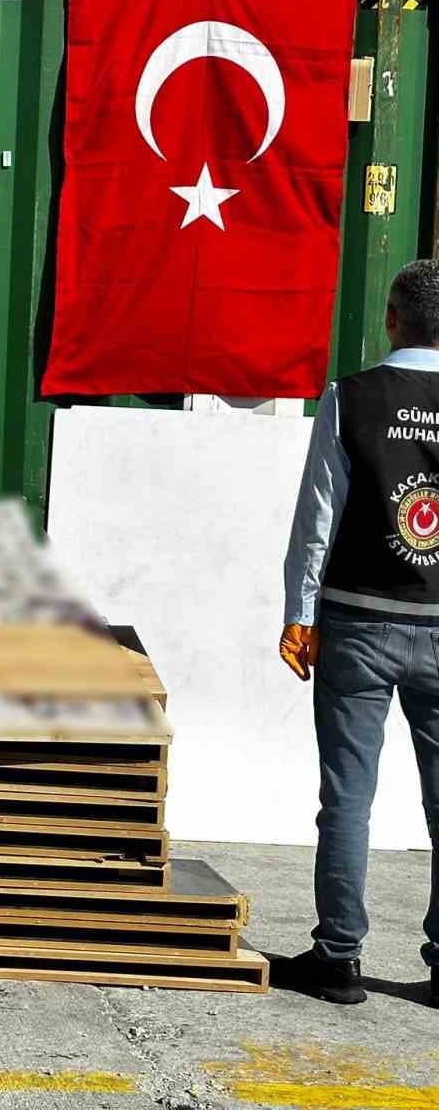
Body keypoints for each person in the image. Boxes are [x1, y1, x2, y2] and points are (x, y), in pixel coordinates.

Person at [278, 258, 439, 1008]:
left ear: (391, 320)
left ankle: (338, 957)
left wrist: (299, 614)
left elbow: (319, 518)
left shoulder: (351, 397)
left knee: (347, 795)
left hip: (358, 620)